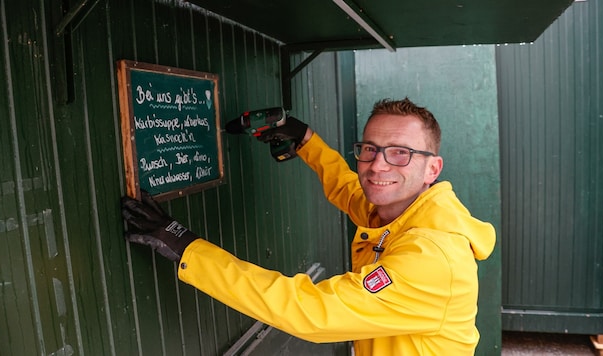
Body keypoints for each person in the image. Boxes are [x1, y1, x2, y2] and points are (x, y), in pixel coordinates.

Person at [121, 97, 496, 355]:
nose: (378, 166)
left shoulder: (430, 256)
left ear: (433, 167)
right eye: (369, 149)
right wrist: (305, 141)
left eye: (400, 153)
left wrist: (188, 248)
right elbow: (351, 189)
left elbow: (309, 310)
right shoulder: (402, 210)